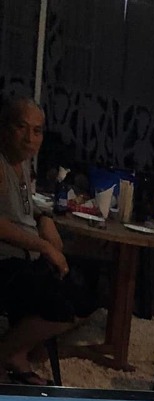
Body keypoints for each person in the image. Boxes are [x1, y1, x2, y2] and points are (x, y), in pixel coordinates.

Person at [0, 96, 91, 384]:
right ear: (6, 128)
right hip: (5, 260)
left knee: (86, 294)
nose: (30, 138)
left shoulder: (24, 164)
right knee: (58, 307)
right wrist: (44, 246)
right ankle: (6, 354)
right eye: (21, 128)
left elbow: (26, 206)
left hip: (26, 256)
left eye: (37, 131)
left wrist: (44, 219)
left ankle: (19, 352)